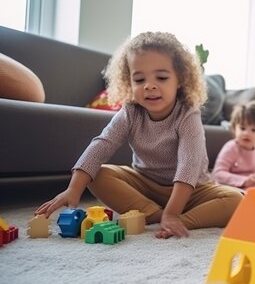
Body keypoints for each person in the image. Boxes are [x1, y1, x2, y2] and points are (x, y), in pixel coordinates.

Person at [35, 31, 243, 239]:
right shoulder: (130, 112)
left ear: (180, 80)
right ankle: (156, 214)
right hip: (145, 185)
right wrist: (73, 188)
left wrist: (173, 213)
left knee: (235, 200)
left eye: (161, 77)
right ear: (129, 82)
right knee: (96, 174)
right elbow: (102, 144)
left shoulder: (188, 114)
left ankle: (177, 219)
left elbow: (188, 165)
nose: (149, 85)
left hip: (192, 190)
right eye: (139, 79)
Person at [211, 101, 255, 189]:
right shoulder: (231, 148)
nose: (246, 133)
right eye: (242, 128)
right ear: (234, 128)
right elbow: (218, 174)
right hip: (231, 188)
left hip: (250, 189)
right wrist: (244, 180)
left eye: (253, 130)